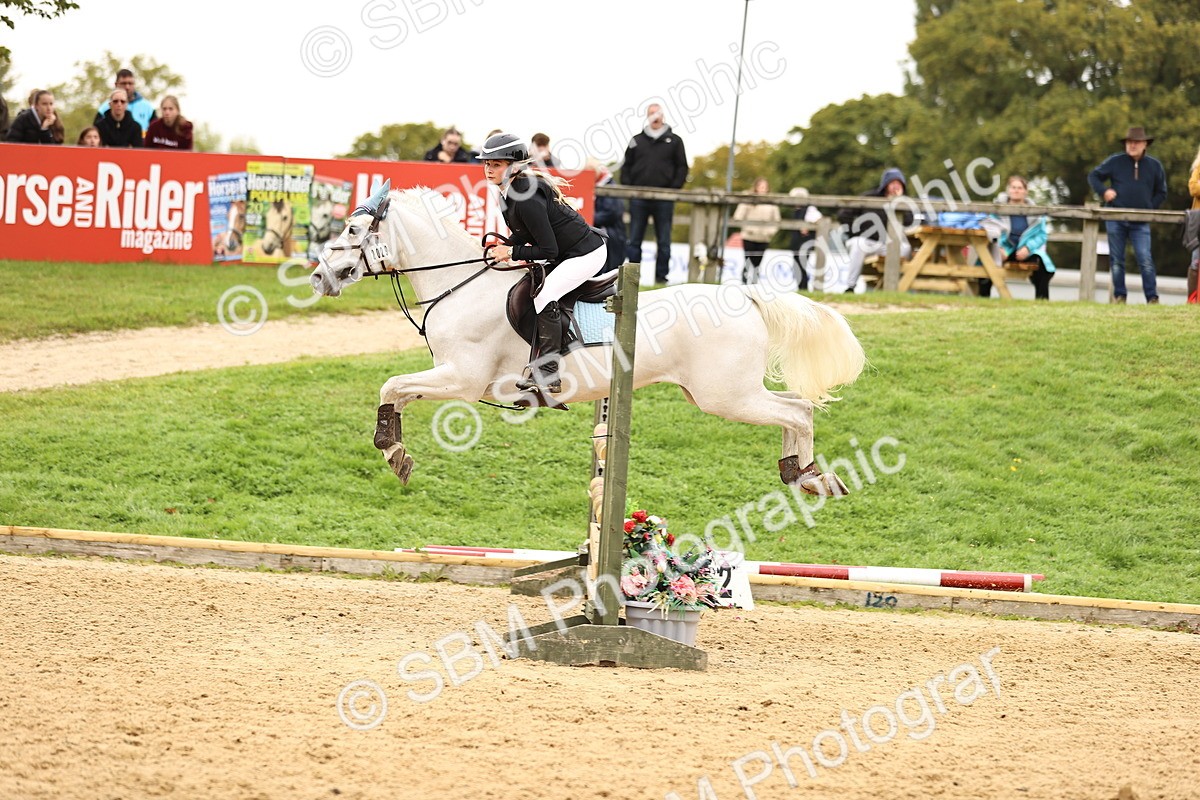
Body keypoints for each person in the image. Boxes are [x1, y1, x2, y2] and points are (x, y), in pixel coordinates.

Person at [480, 132, 607, 395]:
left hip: (586, 254)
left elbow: (549, 249)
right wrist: (504, 247)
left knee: (544, 294)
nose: (489, 169)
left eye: (496, 164)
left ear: (514, 167)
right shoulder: (508, 192)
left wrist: (511, 251)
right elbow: (525, 233)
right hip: (567, 252)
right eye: (487, 163)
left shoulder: (525, 198)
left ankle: (549, 373)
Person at [1088, 126, 1167, 304]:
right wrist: (1104, 191)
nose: (1132, 145)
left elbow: (1161, 192)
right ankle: (1120, 296)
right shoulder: (1115, 161)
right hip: (1116, 217)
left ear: (1145, 144)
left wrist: (1149, 208)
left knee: (1145, 259)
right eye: (1129, 142)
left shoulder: (1154, 166)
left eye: (1136, 142)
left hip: (1141, 221)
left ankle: (1152, 297)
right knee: (1117, 260)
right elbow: (1093, 176)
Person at [621, 103, 688, 284]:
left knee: (664, 241)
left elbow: (682, 167)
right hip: (639, 198)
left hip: (664, 199)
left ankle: (661, 277)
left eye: (657, 113)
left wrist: (673, 188)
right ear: (647, 116)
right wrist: (630, 188)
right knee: (635, 239)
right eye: (651, 113)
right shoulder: (636, 140)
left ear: (663, 116)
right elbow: (626, 166)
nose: (655, 116)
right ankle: (632, 278)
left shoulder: (675, 141)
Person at [979, 175, 1056, 300]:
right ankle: (982, 298)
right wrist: (998, 247)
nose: (1016, 190)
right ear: (1008, 190)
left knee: (1042, 266)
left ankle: (1042, 301)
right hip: (1004, 250)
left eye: (1020, 188)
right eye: (1013, 187)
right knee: (987, 260)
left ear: (1025, 191)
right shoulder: (997, 209)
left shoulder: (1036, 213)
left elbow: (1042, 235)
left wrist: (1028, 248)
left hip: (1025, 251)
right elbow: (989, 228)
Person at [837, 167, 913, 292]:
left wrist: (899, 201)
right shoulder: (869, 197)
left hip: (889, 246)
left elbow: (909, 222)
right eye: (893, 183)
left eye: (899, 184)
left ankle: (893, 287)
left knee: (906, 248)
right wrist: (855, 232)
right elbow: (843, 214)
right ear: (885, 184)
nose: (896, 186)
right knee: (858, 243)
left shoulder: (905, 202)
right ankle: (850, 286)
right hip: (867, 243)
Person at [731, 178, 781, 284]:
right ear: (756, 187)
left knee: (757, 264)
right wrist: (748, 228)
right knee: (748, 262)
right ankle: (744, 284)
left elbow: (777, 220)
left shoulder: (772, 202)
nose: (763, 189)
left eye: (765, 187)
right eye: (761, 187)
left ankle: (754, 285)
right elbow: (738, 216)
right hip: (749, 237)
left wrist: (769, 232)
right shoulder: (748, 200)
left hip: (764, 238)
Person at [95, 68, 156, 137]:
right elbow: (95, 133)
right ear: (116, 84)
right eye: (123, 83)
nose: (127, 87)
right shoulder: (104, 107)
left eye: (130, 83)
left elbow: (155, 132)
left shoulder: (147, 107)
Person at [787, 188, 818, 291]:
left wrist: (807, 226)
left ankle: (803, 288)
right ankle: (801, 288)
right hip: (797, 242)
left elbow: (819, 220)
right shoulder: (796, 211)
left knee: (801, 265)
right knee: (797, 265)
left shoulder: (810, 209)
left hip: (805, 242)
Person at [1187, 145, 1200, 301]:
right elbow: (1193, 189)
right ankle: (1192, 299)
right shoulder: (1198, 168)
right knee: (1196, 261)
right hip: (1199, 222)